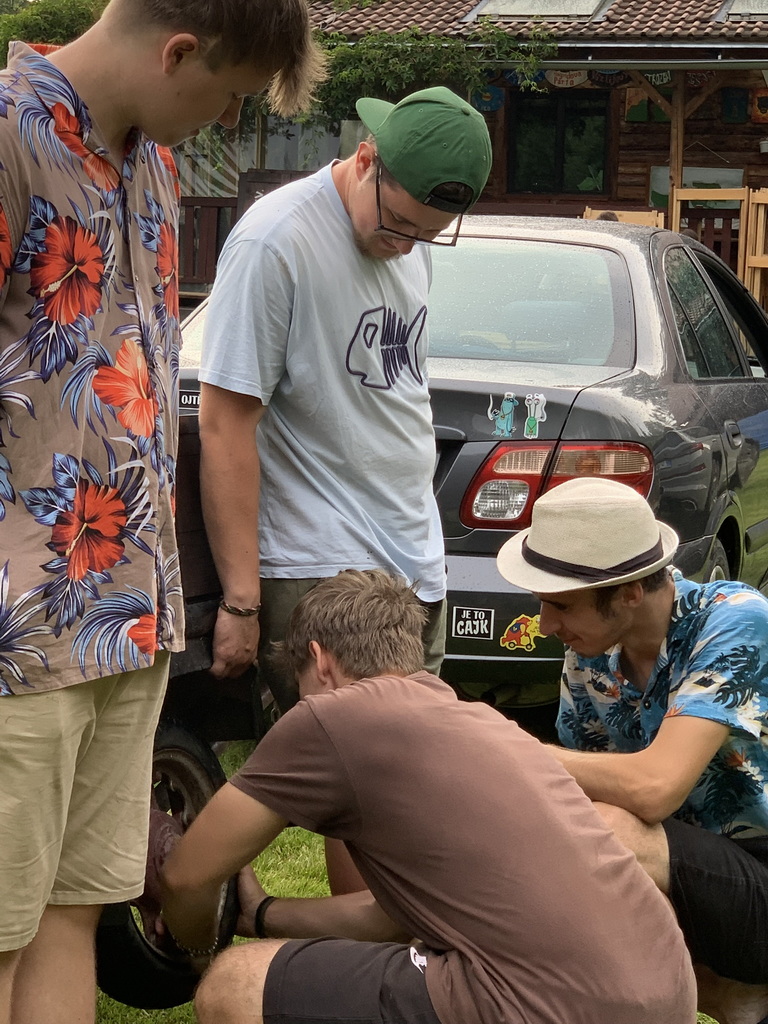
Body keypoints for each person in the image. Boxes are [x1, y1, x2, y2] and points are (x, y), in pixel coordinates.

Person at [0, 2, 322, 1021]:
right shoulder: (7, 136)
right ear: (178, 52)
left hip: (132, 618)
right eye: (228, 96)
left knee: (72, 915)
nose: (226, 121)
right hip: (19, 632)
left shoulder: (157, 166)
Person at [160, 568, 696, 1024]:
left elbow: (187, 877)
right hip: (665, 991)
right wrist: (261, 913)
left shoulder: (332, 715)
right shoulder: (482, 721)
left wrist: (197, 947)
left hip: (550, 1005)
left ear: (320, 661)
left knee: (234, 985)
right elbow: (393, 922)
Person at [198, 86, 493, 712]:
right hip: (321, 561)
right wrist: (241, 601)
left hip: (413, 556)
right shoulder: (276, 241)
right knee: (358, 760)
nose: (408, 244)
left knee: (419, 753)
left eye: (430, 233)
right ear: (365, 160)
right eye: (400, 223)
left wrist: (425, 559)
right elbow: (225, 424)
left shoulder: (408, 246)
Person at [496, 476, 768, 1024]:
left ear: (629, 592)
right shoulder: (591, 651)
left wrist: (507, 748)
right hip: (688, 869)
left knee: (610, 834)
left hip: (757, 871)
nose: (546, 625)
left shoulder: (737, 621)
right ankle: (726, 997)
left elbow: (654, 789)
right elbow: (575, 797)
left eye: (561, 605)